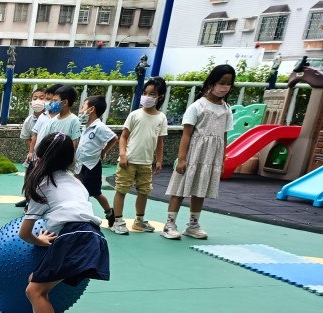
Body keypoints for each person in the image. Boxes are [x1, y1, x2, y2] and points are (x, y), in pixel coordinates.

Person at [12, 133, 110, 313]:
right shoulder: (76, 181)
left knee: (34, 291)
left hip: (73, 237)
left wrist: (40, 240)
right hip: (94, 236)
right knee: (36, 280)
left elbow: (24, 233)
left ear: (39, 157)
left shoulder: (41, 184)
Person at [162, 65, 236, 241]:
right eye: (222, 83)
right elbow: (186, 134)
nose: (225, 87)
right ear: (211, 83)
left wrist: (222, 158)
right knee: (180, 188)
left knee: (200, 189)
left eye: (229, 84)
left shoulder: (226, 109)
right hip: (194, 154)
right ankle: (169, 224)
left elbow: (224, 136)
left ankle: (193, 225)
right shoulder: (198, 106)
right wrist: (182, 159)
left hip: (211, 157)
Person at [111, 77, 168, 235]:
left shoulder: (161, 118)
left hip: (146, 162)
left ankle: (139, 220)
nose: (147, 97)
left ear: (160, 97)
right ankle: (117, 221)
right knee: (121, 189)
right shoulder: (134, 115)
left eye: (152, 94)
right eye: (145, 93)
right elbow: (123, 137)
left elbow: (160, 141)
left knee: (144, 191)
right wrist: (122, 154)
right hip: (128, 161)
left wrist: (159, 160)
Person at [75, 95, 118, 227]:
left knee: (94, 193)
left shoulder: (99, 127)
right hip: (81, 164)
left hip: (92, 166)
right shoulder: (86, 127)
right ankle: (78, 213)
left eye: (83, 107)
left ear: (91, 109)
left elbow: (114, 138)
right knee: (79, 190)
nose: (81, 111)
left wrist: (104, 152)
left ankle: (109, 212)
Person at [15, 88, 47, 208]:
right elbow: (27, 137)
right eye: (35, 98)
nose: (38, 101)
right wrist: (33, 150)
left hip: (48, 154)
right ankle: (28, 198)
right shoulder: (29, 120)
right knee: (29, 176)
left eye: (41, 98)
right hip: (34, 154)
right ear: (31, 102)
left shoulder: (50, 117)